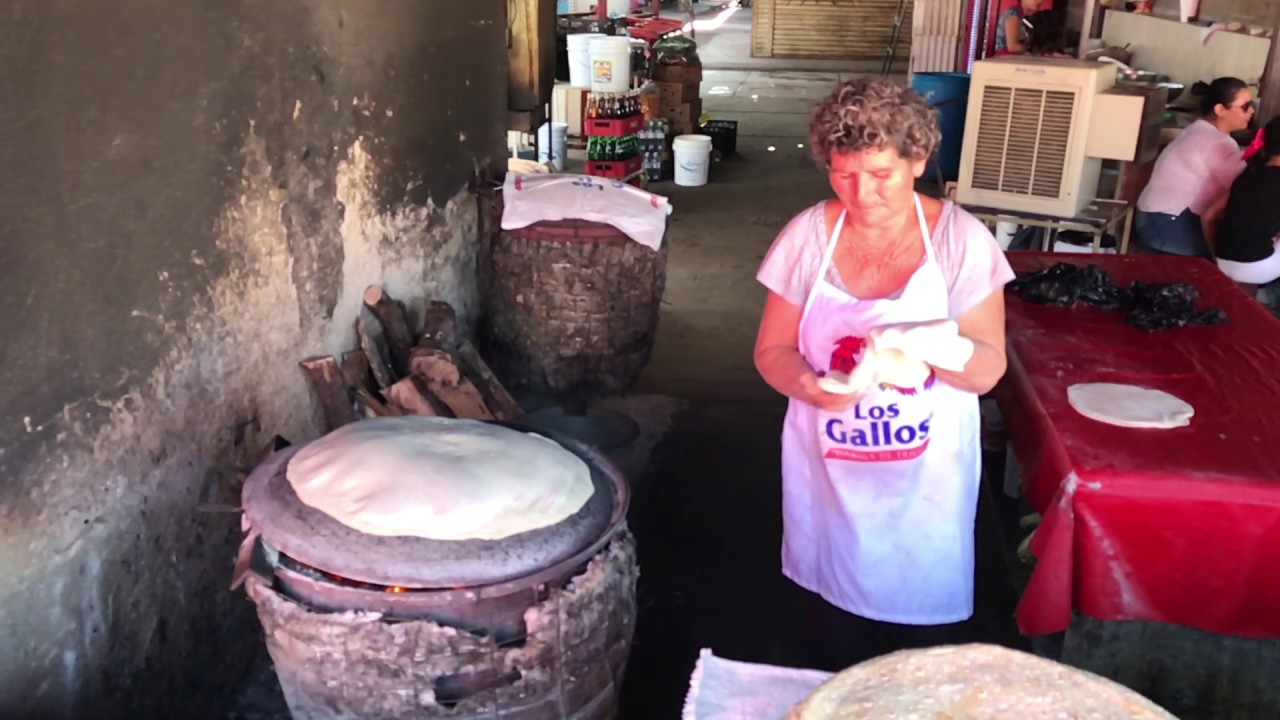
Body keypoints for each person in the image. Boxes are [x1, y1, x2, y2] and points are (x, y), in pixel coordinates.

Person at [753, 79, 1015, 670]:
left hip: (925, 493)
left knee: (915, 669)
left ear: (917, 161)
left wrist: (939, 347)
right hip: (829, 488)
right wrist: (810, 386)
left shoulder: (959, 242)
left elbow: (988, 371)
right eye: (843, 174)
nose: (861, 194)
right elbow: (772, 350)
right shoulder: (808, 237)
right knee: (829, 647)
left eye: (880, 175)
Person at [1134, 77, 1253, 257]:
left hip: (1155, 217)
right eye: (1245, 106)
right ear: (1220, 109)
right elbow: (1245, 184)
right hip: (1167, 222)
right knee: (1235, 253)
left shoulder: (1202, 130)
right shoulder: (1212, 142)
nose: (1251, 111)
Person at [1201, 116, 1280, 292]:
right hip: (1259, 269)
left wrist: (1216, 257)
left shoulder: (1247, 174)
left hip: (1224, 264)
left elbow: (1207, 217)